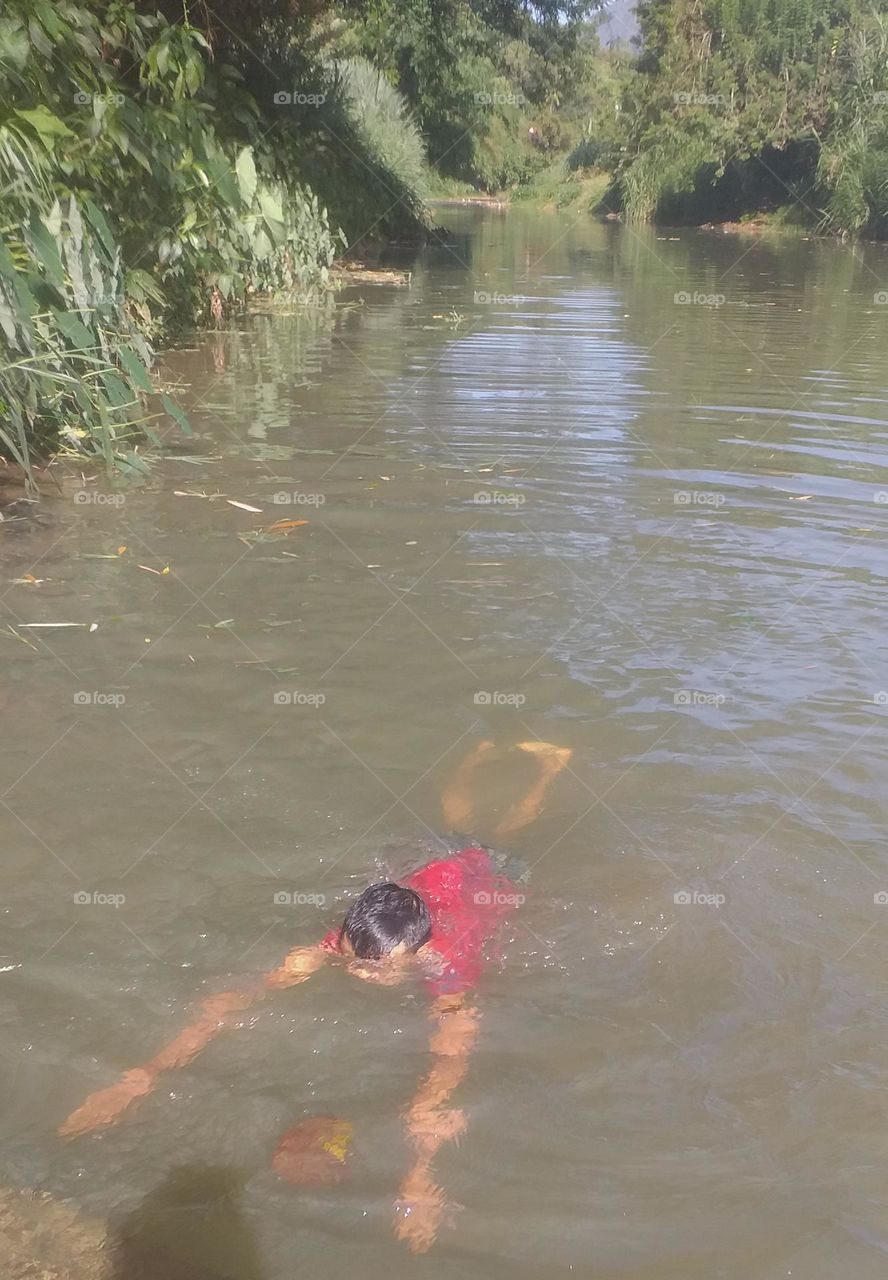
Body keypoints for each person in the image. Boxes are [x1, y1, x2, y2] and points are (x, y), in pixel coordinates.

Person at [58, 739, 572, 1253]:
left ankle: (549, 766)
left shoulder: (450, 969)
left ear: (418, 952)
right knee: (454, 828)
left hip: (483, 878)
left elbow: (444, 1071)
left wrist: (418, 1178)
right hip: (435, 876)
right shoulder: (338, 940)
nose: (357, 974)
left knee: (501, 837)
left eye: (373, 971)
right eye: (349, 958)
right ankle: (480, 752)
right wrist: (140, 1077)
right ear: (346, 931)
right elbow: (231, 1002)